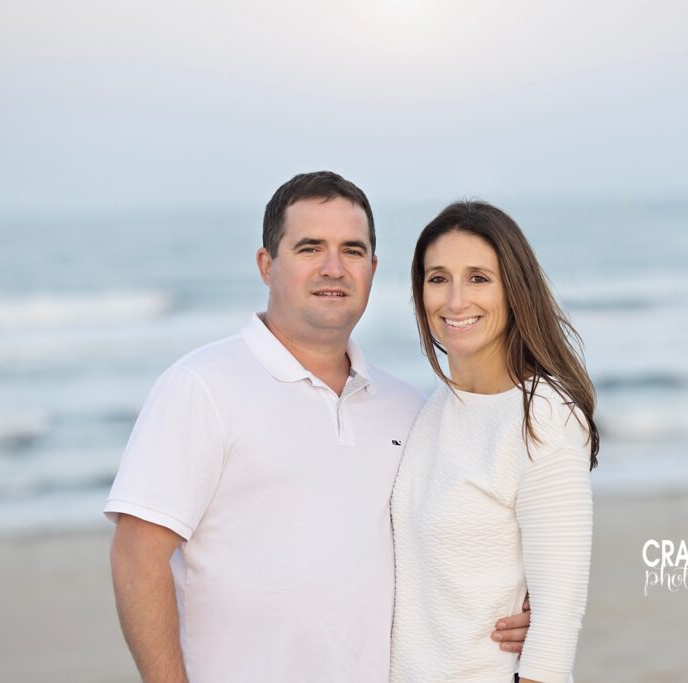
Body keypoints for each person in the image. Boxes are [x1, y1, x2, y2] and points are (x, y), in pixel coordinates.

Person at [105, 172, 531, 682]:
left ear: (372, 269)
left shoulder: (409, 407)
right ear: (267, 265)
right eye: (310, 248)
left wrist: (517, 600)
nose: (334, 268)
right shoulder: (201, 386)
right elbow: (137, 556)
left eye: (352, 250)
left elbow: (454, 533)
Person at [390, 201, 599, 683]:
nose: (455, 300)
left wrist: (539, 626)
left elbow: (556, 625)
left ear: (514, 289)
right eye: (438, 278)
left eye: (478, 278)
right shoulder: (434, 409)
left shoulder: (543, 416)